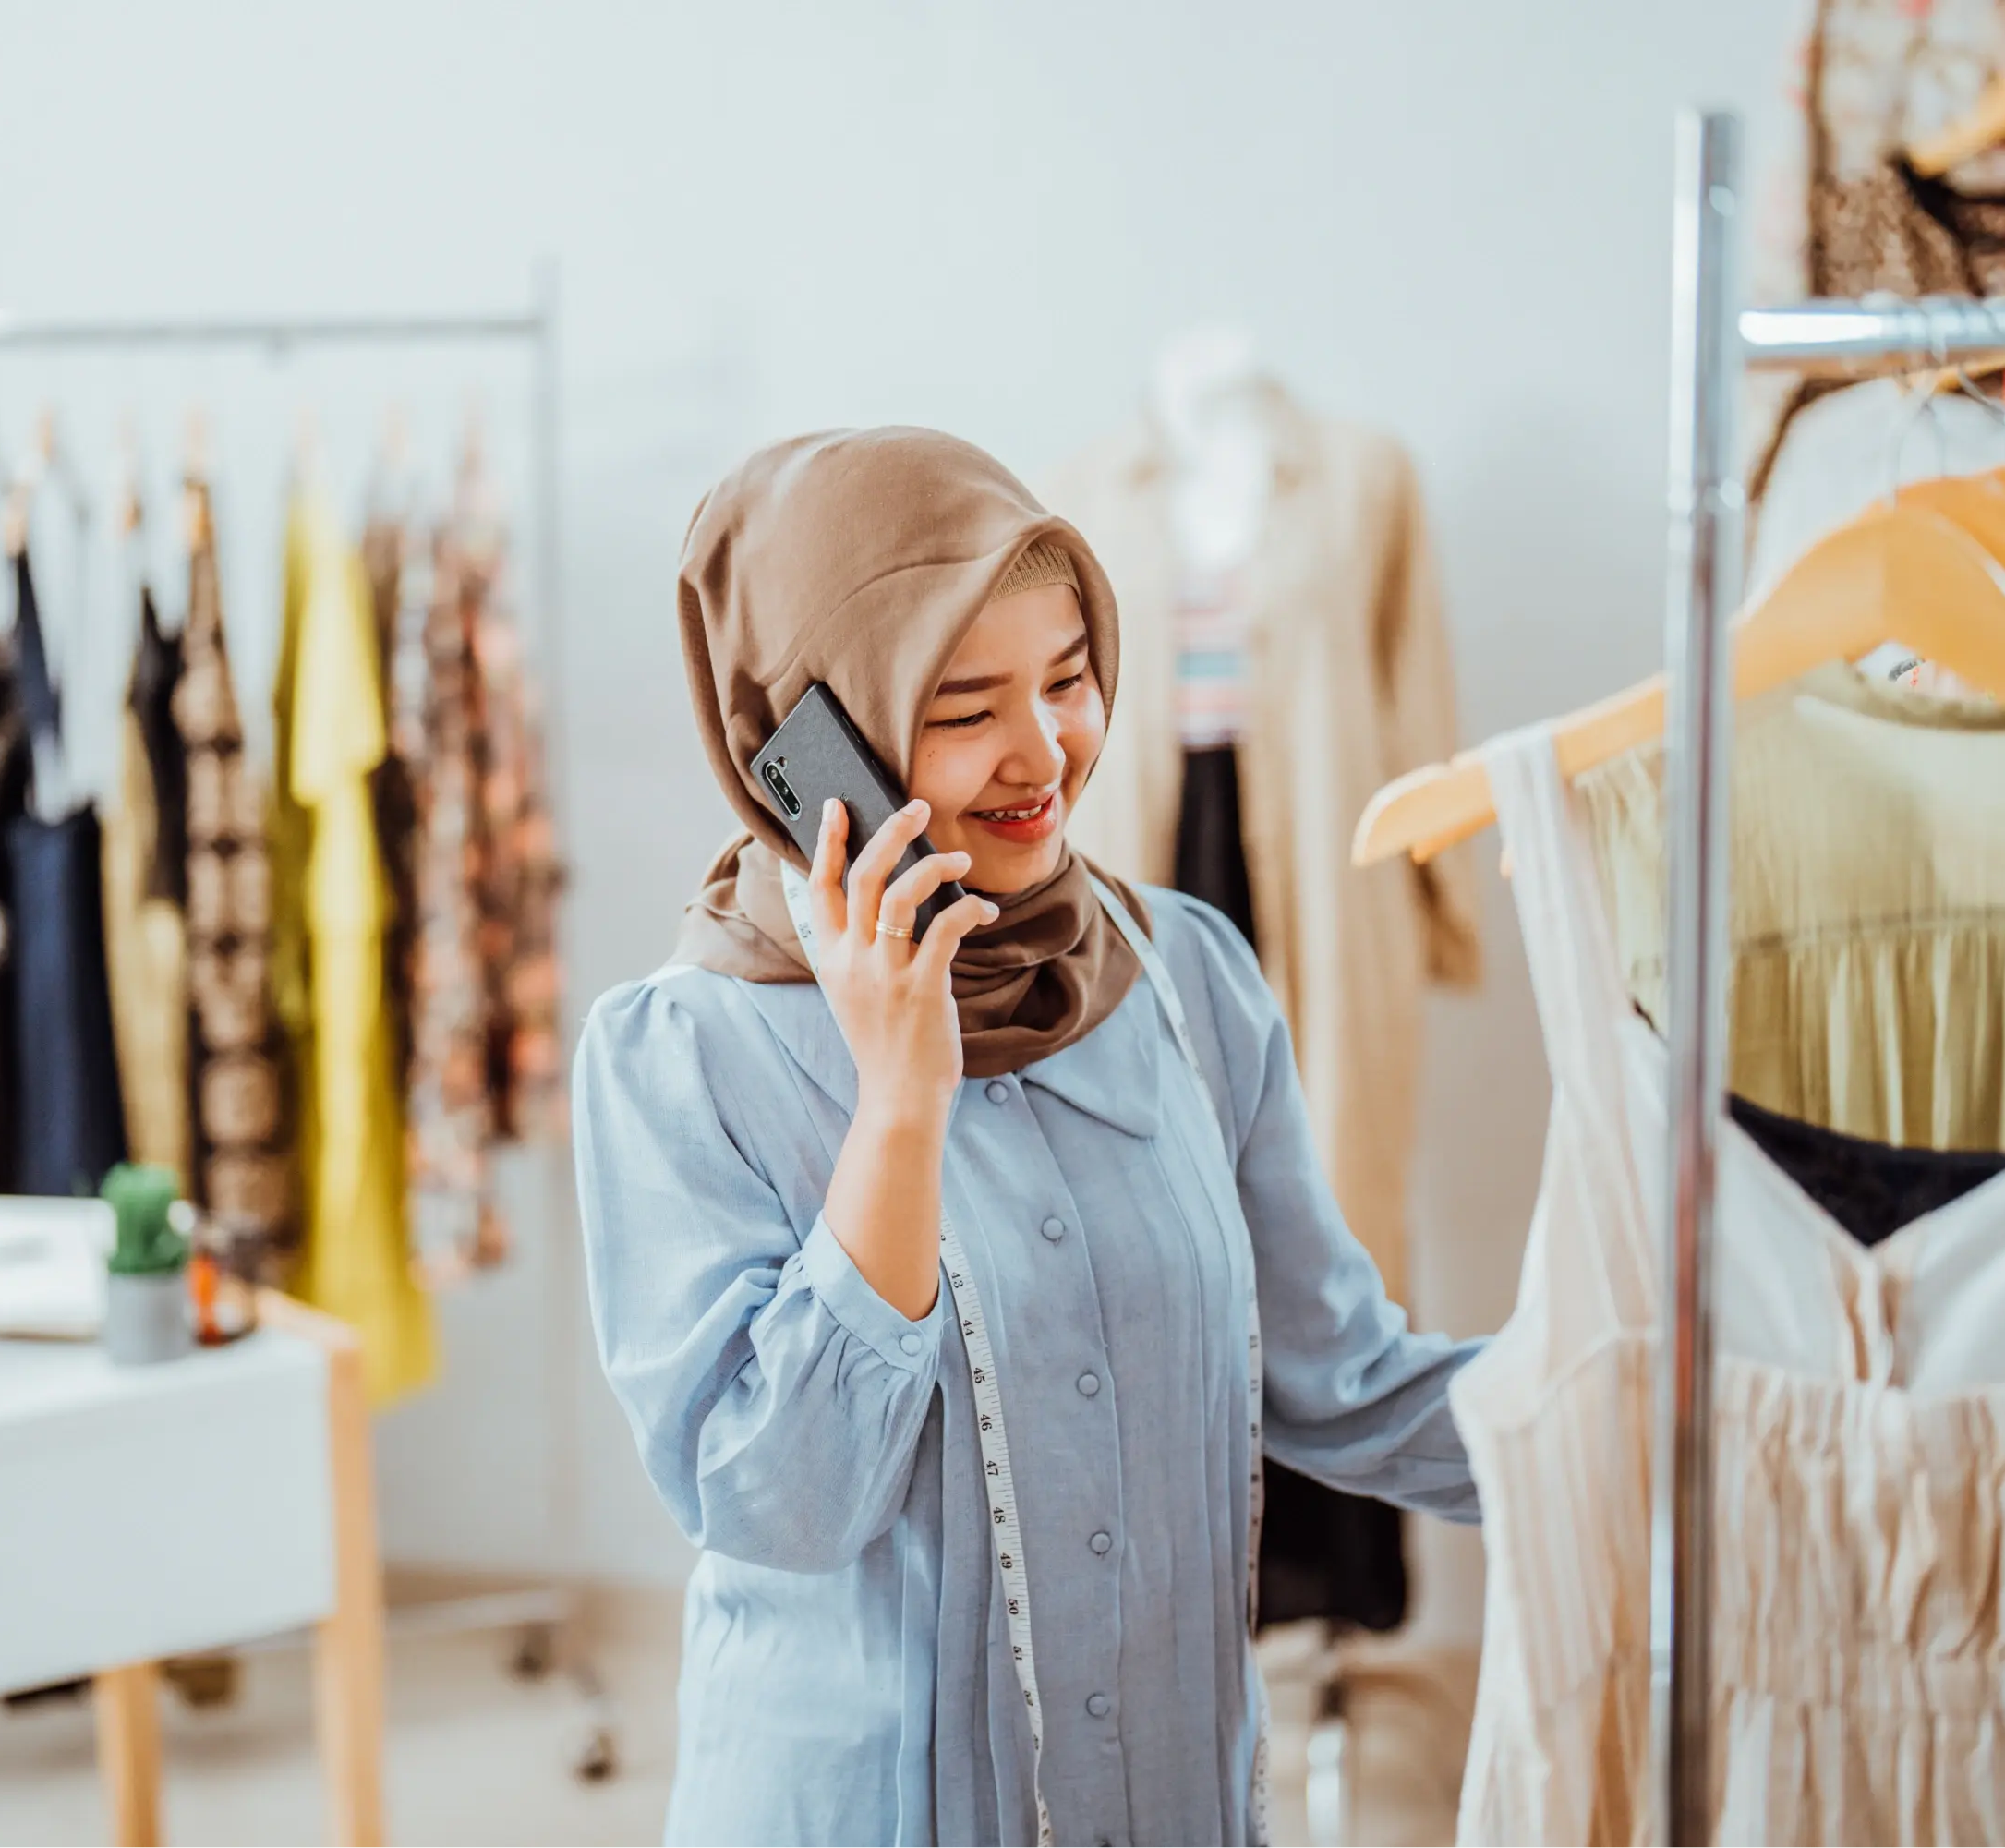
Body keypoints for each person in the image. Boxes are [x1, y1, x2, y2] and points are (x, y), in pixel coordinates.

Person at [576, 427, 1480, 1847]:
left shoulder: (1182, 971)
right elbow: (778, 1500)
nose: (1044, 751)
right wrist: (899, 1104)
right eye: (961, 706)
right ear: (817, 741)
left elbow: (1341, 1379)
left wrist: (1656, 1420)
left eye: (1068, 677)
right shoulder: (685, 1051)